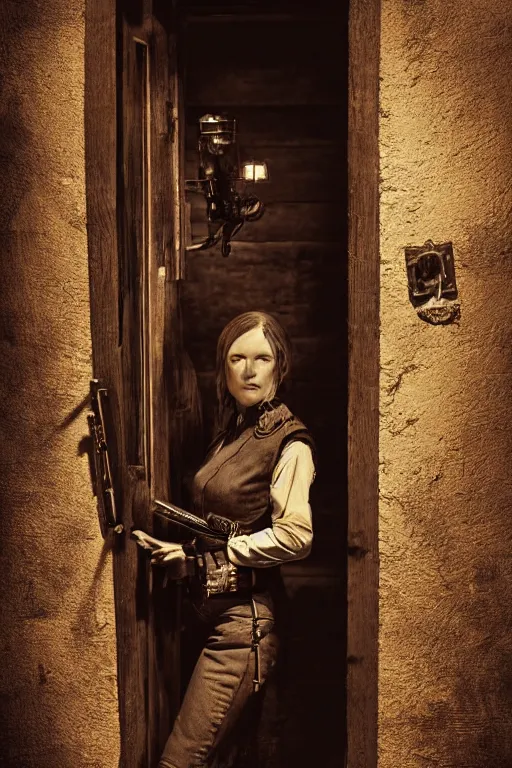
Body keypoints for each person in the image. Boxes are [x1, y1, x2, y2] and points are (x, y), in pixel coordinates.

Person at [133, 310, 316, 768]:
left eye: (262, 358)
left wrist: (232, 550)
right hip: (209, 616)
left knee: (178, 763)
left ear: (281, 366)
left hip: (244, 626)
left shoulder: (290, 443)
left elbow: (296, 536)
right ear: (225, 367)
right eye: (237, 357)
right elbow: (231, 521)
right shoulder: (234, 432)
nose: (249, 369)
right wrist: (188, 552)